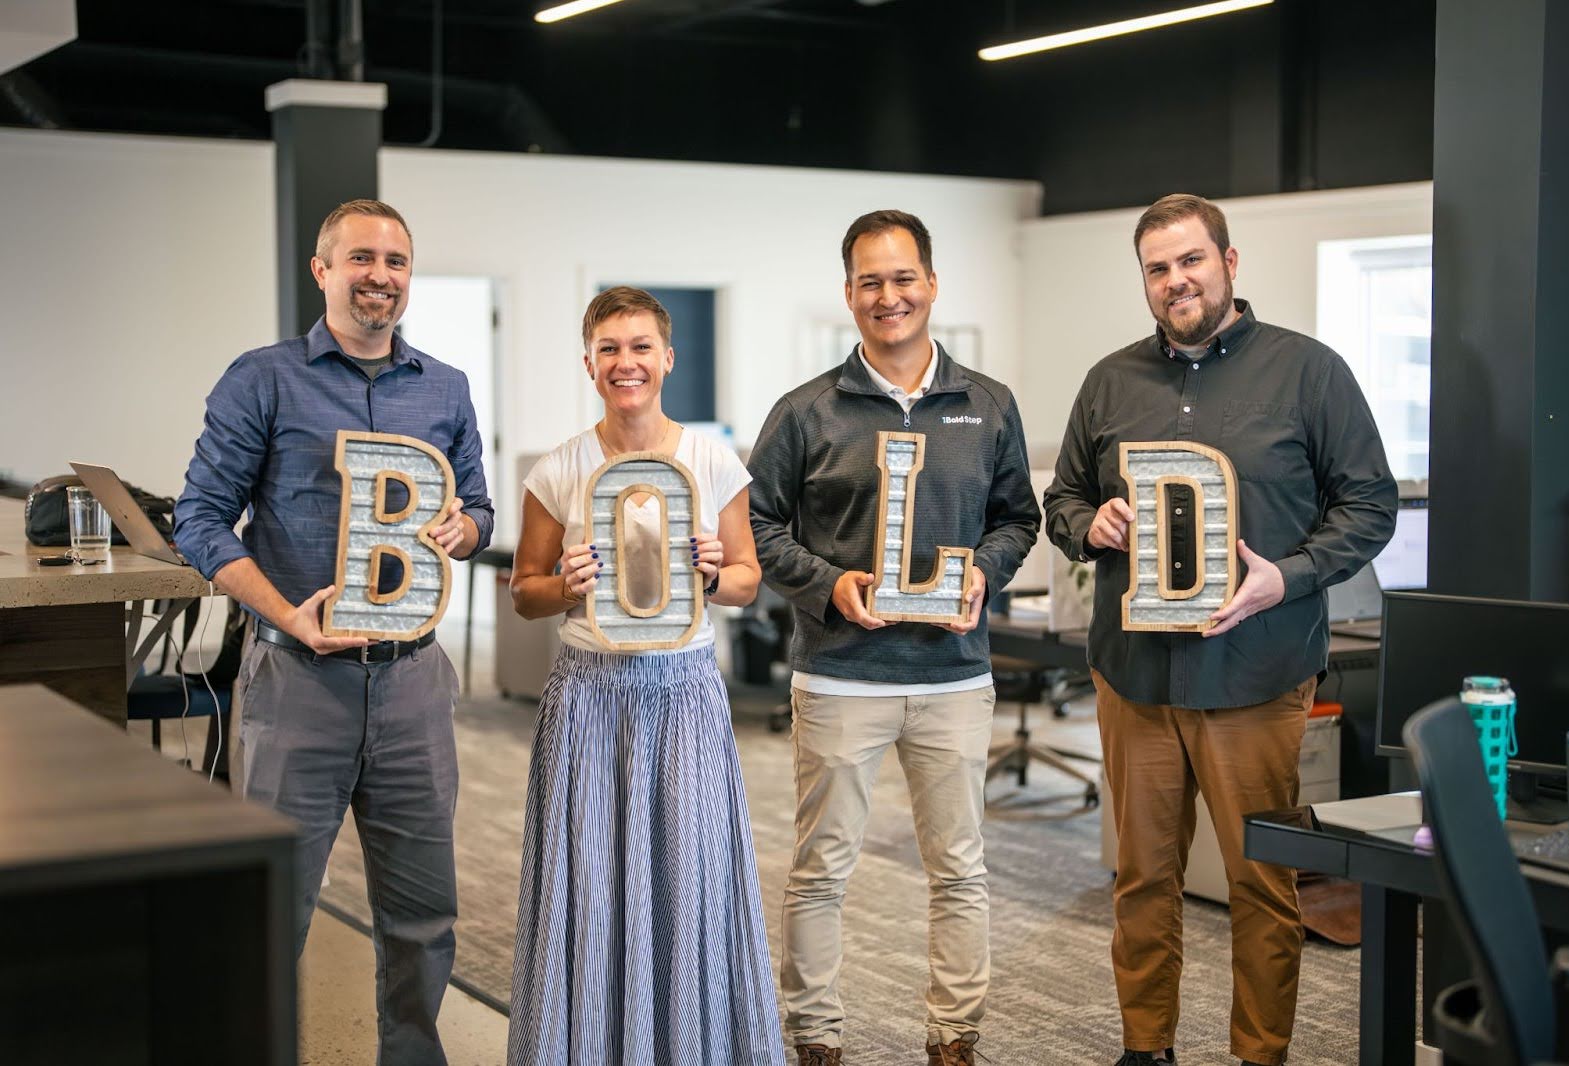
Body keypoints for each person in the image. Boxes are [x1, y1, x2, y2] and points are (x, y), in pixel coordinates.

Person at [1043, 193, 1397, 1066]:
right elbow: (1062, 502)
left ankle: (1259, 1053)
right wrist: (1089, 525)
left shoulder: (1309, 372)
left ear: (1230, 264)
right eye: (1158, 268)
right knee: (1142, 882)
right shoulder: (1109, 381)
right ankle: (1145, 1049)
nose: (1176, 281)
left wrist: (1288, 577)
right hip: (1136, 677)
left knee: (1261, 884)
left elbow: (1370, 505)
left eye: (1191, 260)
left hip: (1257, 673)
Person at [173, 198, 494, 1066]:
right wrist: (285, 614)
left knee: (424, 916)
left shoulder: (446, 386)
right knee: (274, 910)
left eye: (394, 261)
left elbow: (480, 511)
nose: (379, 276)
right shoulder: (263, 378)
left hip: (414, 684)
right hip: (297, 683)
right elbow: (200, 521)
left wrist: (463, 530)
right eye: (360, 259)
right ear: (322, 271)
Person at [748, 210, 1040, 1066]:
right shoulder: (805, 412)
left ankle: (955, 1037)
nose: (890, 295)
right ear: (849, 294)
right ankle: (816, 1037)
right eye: (870, 281)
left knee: (959, 870)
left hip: (954, 676)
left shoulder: (988, 405)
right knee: (823, 870)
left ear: (932, 284)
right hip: (841, 675)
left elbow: (1018, 518)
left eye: (904, 277)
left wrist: (987, 570)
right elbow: (758, 528)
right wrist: (827, 584)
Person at [505, 286, 784, 1065]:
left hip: (685, 694)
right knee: (590, 893)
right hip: (590, 695)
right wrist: (565, 584)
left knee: (686, 890)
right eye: (609, 349)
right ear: (589, 362)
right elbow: (526, 593)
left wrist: (713, 570)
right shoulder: (558, 469)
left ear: (667, 357)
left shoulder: (711, 462)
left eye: (639, 347)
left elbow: (745, 581)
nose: (625, 363)